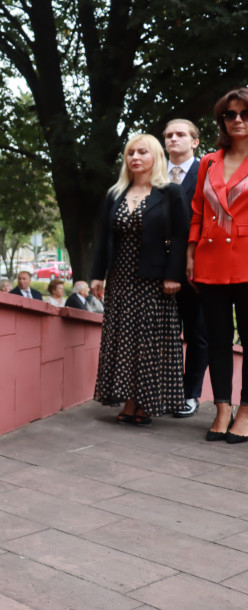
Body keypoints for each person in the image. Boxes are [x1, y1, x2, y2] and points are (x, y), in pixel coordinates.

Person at [91, 133, 188, 426]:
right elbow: (102, 238)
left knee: (148, 342)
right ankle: (130, 399)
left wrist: (173, 274)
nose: (135, 157)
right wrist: (97, 275)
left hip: (155, 280)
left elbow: (180, 236)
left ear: (155, 157)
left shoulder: (170, 192)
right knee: (124, 340)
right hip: (120, 278)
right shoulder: (115, 193)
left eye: (142, 152)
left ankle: (144, 402)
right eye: (131, 152)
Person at [187, 88, 248, 443]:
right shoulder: (208, 161)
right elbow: (198, 210)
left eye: (244, 113)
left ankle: (245, 410)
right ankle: (222, 406)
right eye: (230, 114)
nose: (238, 119)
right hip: (210, 261)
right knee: (217, 339)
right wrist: (191, 250)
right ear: (222, 120)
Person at [164, 119, 209, 419]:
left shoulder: (207, 172)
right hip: (158, 267)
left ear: (194, 141)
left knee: (197, 332)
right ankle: (165, 391)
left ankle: (190, 394)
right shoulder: (154, 175)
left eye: (181, 134)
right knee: (163, 332)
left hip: (196, 267)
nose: (173, 139)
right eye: (168, 135)